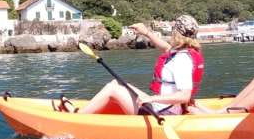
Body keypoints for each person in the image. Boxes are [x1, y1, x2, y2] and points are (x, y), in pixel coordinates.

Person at [70, 14, 205, 116]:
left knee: (112, 89)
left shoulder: (182, 60)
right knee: (117, 83)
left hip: (163, 113)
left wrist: (151, 98)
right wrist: (146, 32)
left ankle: (77, 118)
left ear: (176, 33)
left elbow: (184, 96)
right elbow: (165, 47)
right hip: (162, 107)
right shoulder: (181, 52)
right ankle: (82, 112)